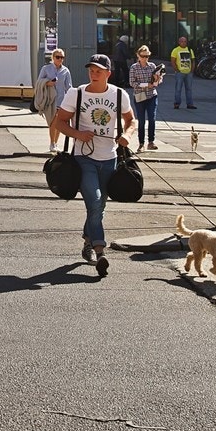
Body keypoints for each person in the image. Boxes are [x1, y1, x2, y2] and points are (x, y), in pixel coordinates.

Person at [53, 53, 135, 277]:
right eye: (91, 69)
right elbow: (59, 122)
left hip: (109, 158)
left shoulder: (119, 94)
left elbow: (131, 120)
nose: (94, 73)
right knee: (95, 200)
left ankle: (87, 242)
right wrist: (78, 133)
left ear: (108, 73)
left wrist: (127, 135)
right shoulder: (75, 93)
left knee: (98, 207)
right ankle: (100, 252)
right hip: (83, 158)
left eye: (99, 70)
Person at [34, 48, 74, 153]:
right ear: (53, 57)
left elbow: (69, 87)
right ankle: (53, 143)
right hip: (49, 100)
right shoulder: (46, 69)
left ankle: (54, 143)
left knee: (58, 122)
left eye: (62, 57)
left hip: (62, 100)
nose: (60, 59)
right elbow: (39, 82)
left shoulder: (66, 71)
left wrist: (72, 99)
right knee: (52, 122)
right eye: (58, 57)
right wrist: (47, 83)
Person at [125, 45, 163, 151]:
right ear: (138, 55)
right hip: (140, 96)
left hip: (152, 95)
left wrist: (157, 79)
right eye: (143, 56)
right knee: (141, 120)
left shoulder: (152, 66)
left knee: (152, 119)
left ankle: (151, 142)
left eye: (147, 56)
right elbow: (132, 83)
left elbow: (157, 82)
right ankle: (141, 143)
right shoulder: (134, 67)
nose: (145, 58)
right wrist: (146, 85)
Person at [170, 36, 196, 109]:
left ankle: (190, 104)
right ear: (179, 42)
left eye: (185, 41)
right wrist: (176, 70)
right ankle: (177, 103)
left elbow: (193, 60)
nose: (183, 43)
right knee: (178, 88)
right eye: (182, 41)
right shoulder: (175, 50)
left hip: (188, 73)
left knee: (189, 89)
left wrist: (192, 70)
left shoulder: (190, 50)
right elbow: (173, 61)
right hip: (180, 73)